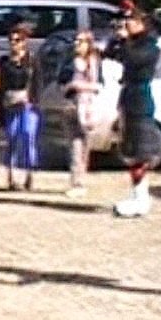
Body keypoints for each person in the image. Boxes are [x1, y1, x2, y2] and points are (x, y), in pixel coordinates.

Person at [104, 1, 160, 218]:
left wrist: (126, 40)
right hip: (128, 98)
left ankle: (141, 198)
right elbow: (112, 54)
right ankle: (139, 195)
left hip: (141, 101)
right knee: (131, 152)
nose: (128, 25)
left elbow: (133, 59)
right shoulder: (132, 43)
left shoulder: (150, 46)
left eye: (132, 21)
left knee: (140, 152)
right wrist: (116, 38)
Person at [0, 22, 41, 192]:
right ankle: (11, 177)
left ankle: (29, 176)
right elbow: (1, 86)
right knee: (12, 138)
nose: (14, 43)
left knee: (28, 136)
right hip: (10, 104)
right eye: (12, 40)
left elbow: (38, 83)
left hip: (28, 105)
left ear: (25, 42)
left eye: (18, 40)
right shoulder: (5, 61)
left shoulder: (32, 61)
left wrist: (32, 101)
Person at [63, 31, 102, 198]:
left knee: (85, 146)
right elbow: (62, 84)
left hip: (88, 108)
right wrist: (71, 86)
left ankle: (81, 180)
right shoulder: (68, 63)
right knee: (74, 146)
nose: (76, 44)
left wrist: (81, 86)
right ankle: (75, 182)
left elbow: (99, 85)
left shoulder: (94, 63)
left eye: (81, 41)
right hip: (72, 105)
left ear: (88, 44)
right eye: (76, 41)